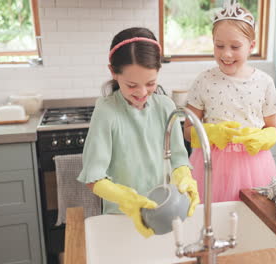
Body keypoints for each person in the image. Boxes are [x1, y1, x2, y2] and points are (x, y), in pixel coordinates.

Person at [77, 27, 199, 238]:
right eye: (132, 85)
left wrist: (184, 176)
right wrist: (128, 200)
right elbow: (93, 177)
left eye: (151, 83)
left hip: (164, 212)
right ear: (113, 72)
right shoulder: (107, 112)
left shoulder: (166, 107)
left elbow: (179, 158)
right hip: (121, 219)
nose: (142, 93)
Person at [183, 0, 276, 203]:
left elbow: (272, 128)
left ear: (251, 46)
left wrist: (264, 138)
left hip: (254, 165)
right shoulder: (204, 80)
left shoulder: (265, 82)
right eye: (219, 46)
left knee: (252, 219)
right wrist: (211, 132)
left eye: (235, 47)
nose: (226, 53)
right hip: (211, 165)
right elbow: (187, 131)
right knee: (211, 219)